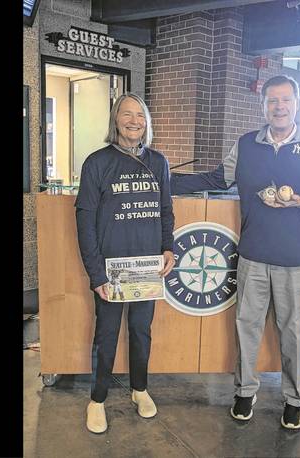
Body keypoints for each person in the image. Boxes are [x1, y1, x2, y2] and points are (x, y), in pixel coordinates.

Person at [170, 75, 300, 429]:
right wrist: (163, 177)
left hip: (296, 256)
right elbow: (218, 179)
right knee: (246, 326)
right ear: (262, 106)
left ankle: (295, 399)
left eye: (285, 100)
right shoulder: (247, 144)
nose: (279, 107)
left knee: (293, 331)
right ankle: (244, 392)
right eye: (272, 101)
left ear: (296, 104)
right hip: (252, 253)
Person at [75, 92, 175, 434]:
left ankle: (140, 390)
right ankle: (97, 399)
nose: (134, 121)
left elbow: (165, 211)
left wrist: (168, 248)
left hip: (147, 267)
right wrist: (95, 272)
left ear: (147, 123)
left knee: (140, 332)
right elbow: (85, 220)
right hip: (111, 271)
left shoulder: (159, 162)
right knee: (105, 334)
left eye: (141, 116)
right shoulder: (97, 163)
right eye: (127, 114)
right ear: (115, 121)